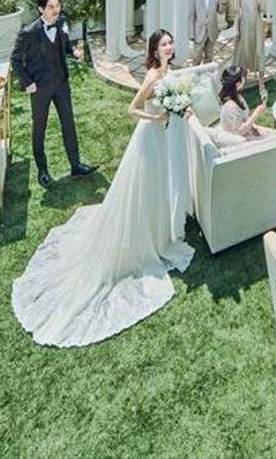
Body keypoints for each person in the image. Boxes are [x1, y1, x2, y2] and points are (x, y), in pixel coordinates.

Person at [11, 29, 195, 347]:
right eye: (163, 44)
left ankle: (158, 230)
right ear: (154, 49)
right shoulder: (153, 75)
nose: (169, 47)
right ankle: (143, 238)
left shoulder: (169, 72)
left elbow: (172, 101)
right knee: (144, 188)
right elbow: (132, 109)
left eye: (170, 43)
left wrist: (181, 108)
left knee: (158, 186)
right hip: (150, 137)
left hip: (164, 137)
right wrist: (157, 118)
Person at [11, 0, 96, 189]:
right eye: (51, 7)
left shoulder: (61, 22)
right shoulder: (29, 32)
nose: (56, 10)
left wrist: (74, 51)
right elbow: (15, 60)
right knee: (39, 129)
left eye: (57, 6)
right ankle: (43, 171)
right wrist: (27, 82)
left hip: (61, 84)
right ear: (41, 9)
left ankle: (76, 166)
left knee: (69, 124)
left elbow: (65, 45)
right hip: (40, 88)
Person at [233, 0, 267, 99]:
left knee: (259, 51)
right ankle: (243, 79)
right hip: (245, 23)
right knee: (245, 50)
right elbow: (237, 13)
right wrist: (236, 29)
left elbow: (262, 10)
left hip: (256, 23)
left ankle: (261, 83)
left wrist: (259, 1)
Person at [218, 65, 275, 139]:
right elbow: (240, 131)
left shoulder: (236, 96)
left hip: (248, 131)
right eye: (242, 76)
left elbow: (245, 118)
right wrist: (257, 112)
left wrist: (253, 126)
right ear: (238, 83)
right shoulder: (230, 106)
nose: (244, 78)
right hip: (240, 140)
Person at [188, 0, 227, 65]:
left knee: (209, 57)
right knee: (196, 57)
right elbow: (191, 15)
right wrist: (191, 33)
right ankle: (195, 73)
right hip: (199, 31)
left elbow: (221, 11)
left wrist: (224, 3)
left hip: (211, 30)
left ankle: (208, 73)